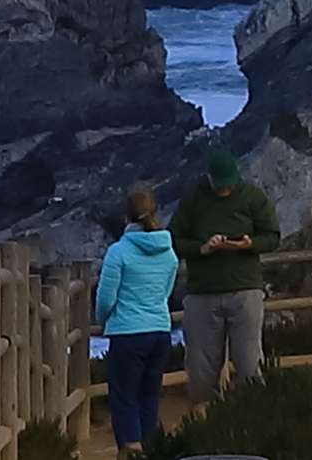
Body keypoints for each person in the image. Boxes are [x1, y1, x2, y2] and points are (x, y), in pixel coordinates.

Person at [170, 148, 279, 403]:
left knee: (250, 361)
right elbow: (173, 240)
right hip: (202, 293)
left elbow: (272, 236)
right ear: (209, 178)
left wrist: (249, 244)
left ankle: (250, 416)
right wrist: (202, 248)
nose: (224, 190)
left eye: (228, 186)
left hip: (245, 290)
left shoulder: (253, 197)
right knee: (200, 368)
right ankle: (206, 419)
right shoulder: (193, 200)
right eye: (220, 186)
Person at [92, 188, 180, 458]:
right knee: (149, 395)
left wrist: (104, 321)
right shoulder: (168, 252)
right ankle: (150, 448)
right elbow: (166, 292)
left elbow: (105, 298)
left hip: (128, 333)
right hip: (160, 331)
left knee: (124, 397)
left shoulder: (119, 252)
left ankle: (131, 452)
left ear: (126, 215)